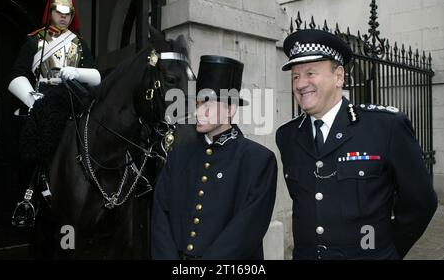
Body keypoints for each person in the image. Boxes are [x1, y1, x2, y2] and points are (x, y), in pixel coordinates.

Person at [276, 29, 438, 260]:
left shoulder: (385, 127)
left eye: (310, 73)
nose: (301, 84)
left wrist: (385, 250)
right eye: (295, 76)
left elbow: (421, 203)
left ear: (339, 76)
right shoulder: (288, 135)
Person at [151, 55, 278, 260]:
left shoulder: (258, 161)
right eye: (197, 103)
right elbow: (161, 215)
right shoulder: (179, 155)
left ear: (230, 108)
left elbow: (246, 231)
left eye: (207, 104)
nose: (199, 111)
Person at [8, 0, 100, 227]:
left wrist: (77, 72)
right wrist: (31, 98)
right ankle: (26, 199)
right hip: (41, 99)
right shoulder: (34, 41)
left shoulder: (80, 45)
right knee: (31, 144)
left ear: (72, 16)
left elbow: (96, 76)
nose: (63, 16)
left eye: (67, 12)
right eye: (59, 11)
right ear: (51, 12)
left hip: (72, 99)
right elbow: (17, 74)